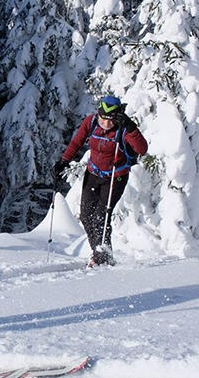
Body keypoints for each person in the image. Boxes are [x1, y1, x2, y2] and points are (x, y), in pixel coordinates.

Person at [53, 95, 148, 267]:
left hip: (115, 177)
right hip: (93, 174)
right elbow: (77, 141)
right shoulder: (91, 122)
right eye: (103, 118)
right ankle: (99, 251)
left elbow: (142, 148)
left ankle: (101, 256)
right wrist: (63, 161)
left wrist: (130, 126)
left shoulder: (123, 128)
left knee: (101, 217)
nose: (105, 123)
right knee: (86, 215)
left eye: (110, 120)